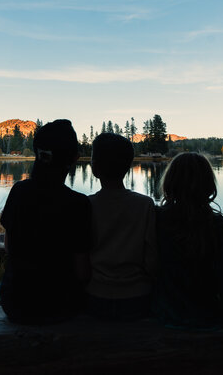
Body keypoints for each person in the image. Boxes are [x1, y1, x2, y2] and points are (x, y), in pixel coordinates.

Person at [0, 119, 91, 324]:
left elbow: (8, 247)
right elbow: (82, 271)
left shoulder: (19, 192)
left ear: (37, 154)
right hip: (62, 306)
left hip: (16, 303)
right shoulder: (78, 204)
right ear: (75, 158)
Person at [154, 152, 223, 329]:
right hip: (206, 313)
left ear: (171, 181)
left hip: (166, 313)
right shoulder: (215, 223)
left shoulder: (157, 218)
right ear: (207, 184)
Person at [86, 133, 157, 321]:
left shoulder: (86, 205)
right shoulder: (145, 205)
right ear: (128, 165)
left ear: (94, 168)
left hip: (95, 297)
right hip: (138, 298)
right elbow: (151, 259)